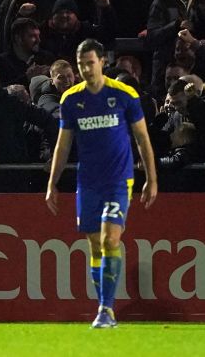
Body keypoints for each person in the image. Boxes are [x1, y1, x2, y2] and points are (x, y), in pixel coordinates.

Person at [45, 38, 158, 329]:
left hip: (119, 179)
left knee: (111, 240)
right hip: (88, 181)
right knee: (95, 246)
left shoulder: (123, 94)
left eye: (90, 62)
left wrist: (152, 179)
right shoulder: (71, 99)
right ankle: (103, 306)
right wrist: (52, 183)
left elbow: (142, 139)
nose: (85, 69)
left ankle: (106, 310)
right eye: (81, 64)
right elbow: (63, 144)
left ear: (102, 62)